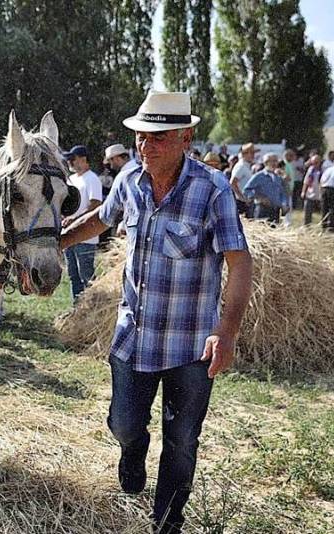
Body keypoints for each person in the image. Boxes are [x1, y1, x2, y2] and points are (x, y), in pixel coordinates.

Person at [60, 91, 252, 534]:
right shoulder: (129, 177)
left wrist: (227, 330)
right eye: (141, 138)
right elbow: (101, 221)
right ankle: (132, 449)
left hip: (190, 345)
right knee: (124, 424)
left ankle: (168, 522)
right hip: (134, 337)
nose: (146, 148)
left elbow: (239, 262)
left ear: (186, 137)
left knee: (182, 441)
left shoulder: (212, 189)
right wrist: (57, 244)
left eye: (158, 139)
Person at [62, 145, 103, 301]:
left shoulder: (92, 178)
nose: (70, 162)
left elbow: (95, 204)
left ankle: (94, 308)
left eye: (73, 159)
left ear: (83, 159)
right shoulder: (71, 179)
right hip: (68, 233)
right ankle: (77, 309)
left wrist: (75, 219)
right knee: (73, 275)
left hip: (86, 236)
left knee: (86, 275)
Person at [242, 153, 288, 224]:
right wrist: (260, 198)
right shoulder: (259, 176)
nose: (274, 163)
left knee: (274, 233)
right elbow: (246, 190)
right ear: (266, 163)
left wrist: (284, 204)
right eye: (272, 161)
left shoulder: (277, 177)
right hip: (262, 210)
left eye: (276, 161)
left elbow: (282, 193)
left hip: (275, 211)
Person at [230, 143, 257, 216]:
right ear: (244, 154)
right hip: (241, 203)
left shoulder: (246, 165)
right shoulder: (241, 166)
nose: (253, 155)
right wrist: (242, 199)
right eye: (250, 153)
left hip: (245, 202)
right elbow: (232, 183)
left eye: (253, 153)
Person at [301, 155, 324, 226]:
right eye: (313, 163)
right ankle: (306, 225)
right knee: (307, 211)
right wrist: (303, 191)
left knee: (323, 211)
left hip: (320, 194)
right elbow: (306, 181)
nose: (314, 164)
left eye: (316, 162)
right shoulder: (311, 170)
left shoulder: (323, 170)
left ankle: (324, 225)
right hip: (310, 193)